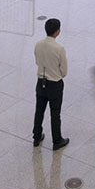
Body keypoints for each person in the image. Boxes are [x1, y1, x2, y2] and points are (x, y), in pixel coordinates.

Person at [32, 18, 69, 150]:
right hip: (55, 84)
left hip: (40, 82)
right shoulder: (59, 48)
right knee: (55, 113)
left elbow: (37, 61)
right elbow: (64, 70)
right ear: (57, 31)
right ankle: (57, 140)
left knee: (39, 110)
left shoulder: (38, 44)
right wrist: (57, 74)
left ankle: (36, 137)